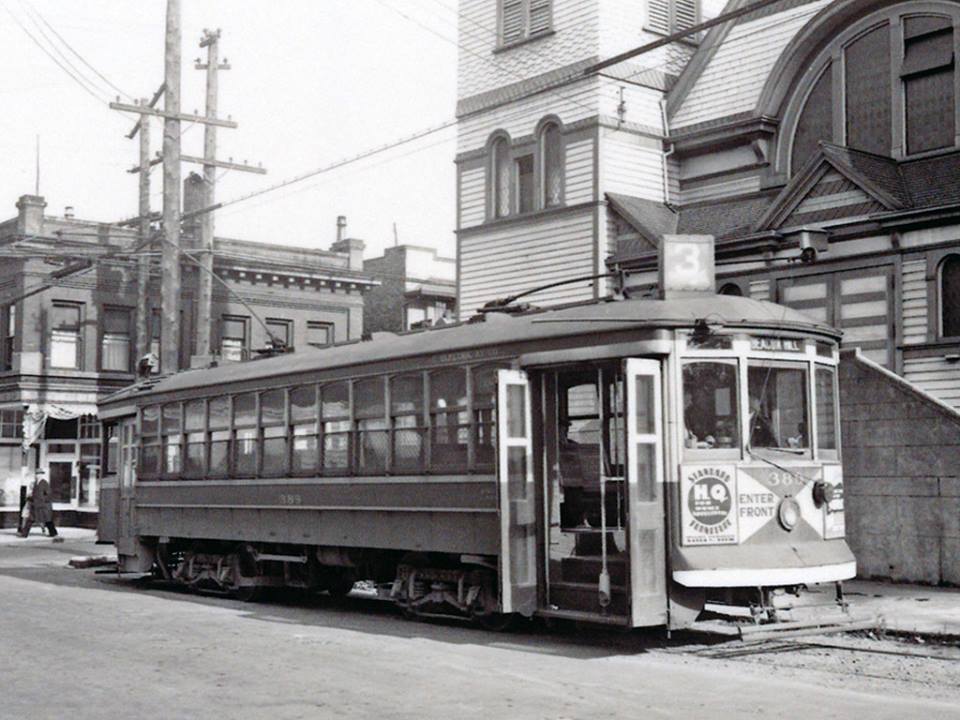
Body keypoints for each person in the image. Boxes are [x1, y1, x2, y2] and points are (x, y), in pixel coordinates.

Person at [18, 469, 60, 540]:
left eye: (39, 474)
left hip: (43, 506)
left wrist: (43, 500)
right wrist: (30, 498)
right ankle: (24, 534)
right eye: (37, 474)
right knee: (30, 519)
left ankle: (53, 533)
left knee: (47, 520)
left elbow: (49, 494)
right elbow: (35, 494)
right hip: (35, 505)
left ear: (42, 475)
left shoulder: (44, 483)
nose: (38, 475)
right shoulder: (35, 483)